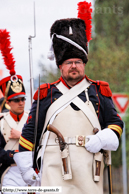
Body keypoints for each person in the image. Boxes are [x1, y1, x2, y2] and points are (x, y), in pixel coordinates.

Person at [14, 1, 123, 194]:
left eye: (78, 62)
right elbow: (29, 134)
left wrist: (103, 138)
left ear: (84, 64)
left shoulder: (99, 90)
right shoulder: (46, 93)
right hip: (53, 167)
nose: (74, 66)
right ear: (60, 65)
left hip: (90, 168)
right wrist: (27, 169)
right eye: (69, 62)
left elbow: (115, 125)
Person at [0, 29, 29, 193]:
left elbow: (41, 145)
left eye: (23, 99)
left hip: (32, 173)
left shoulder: (32, 119)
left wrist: (22, 136)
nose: (21, 103)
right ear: (8, 102)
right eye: (17, 100)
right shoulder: (1, 122)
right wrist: (14, 155)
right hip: (9, 171)